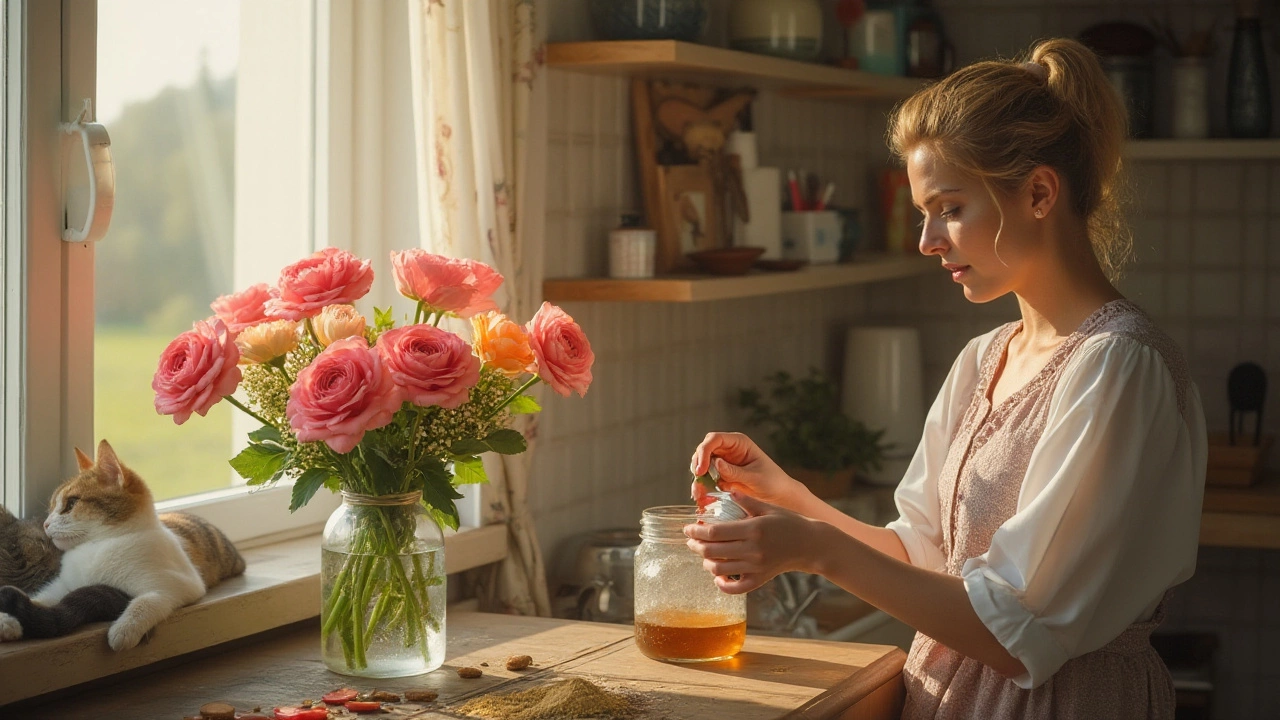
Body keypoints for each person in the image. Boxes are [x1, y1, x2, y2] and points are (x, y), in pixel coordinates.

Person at [684, 37, 1206, 719]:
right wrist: (792, 500)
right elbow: (926, 560)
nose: (928, 240)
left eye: (950, 208)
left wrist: (815, 550)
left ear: (1040, 193)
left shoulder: (1119, 367)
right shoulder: (984, 359)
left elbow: (1019, 635)